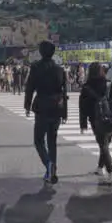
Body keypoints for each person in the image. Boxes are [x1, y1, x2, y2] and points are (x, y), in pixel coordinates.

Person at [24, 40, 68, 184]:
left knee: (38, 140)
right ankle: (52, 170)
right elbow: (64, 92)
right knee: (52, 141)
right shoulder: (59, 69)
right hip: (56, 107)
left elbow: (30, 87)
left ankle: (48, 164)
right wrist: (65, 112)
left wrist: (27, 105)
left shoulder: (36, 67)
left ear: (41, 52)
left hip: (41, 106)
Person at [78, 62, 112, 185]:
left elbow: (83, 107)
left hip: (96, 119)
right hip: (111, 119)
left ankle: (111, 173)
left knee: (103, 145)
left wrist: (83, 124)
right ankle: (100, 168)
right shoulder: (109, 84)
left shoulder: (86, 87)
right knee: (105, 145)